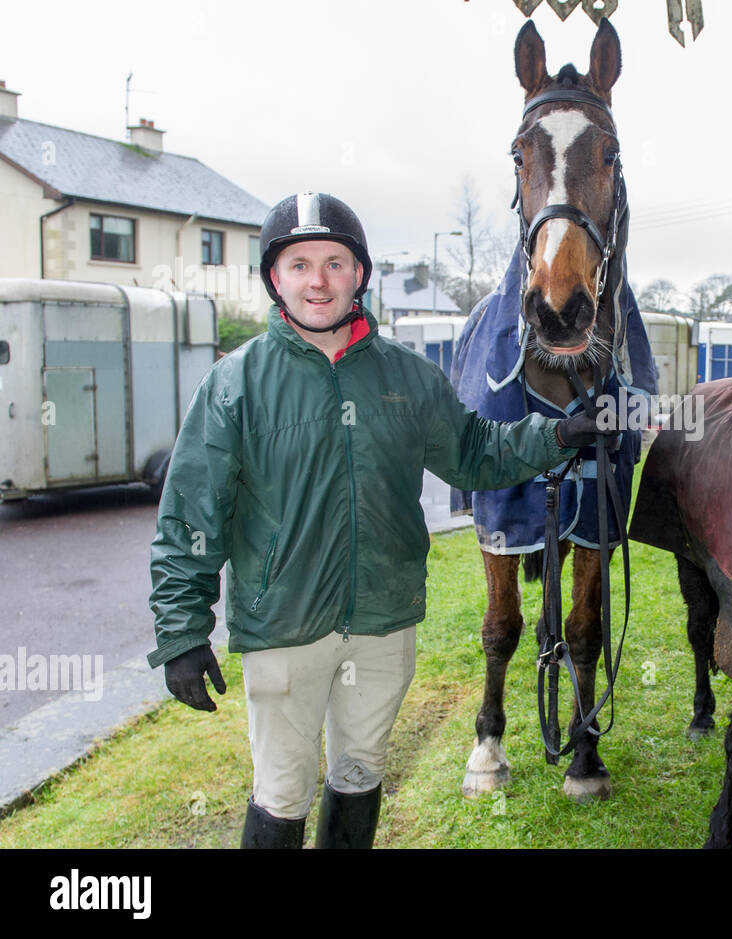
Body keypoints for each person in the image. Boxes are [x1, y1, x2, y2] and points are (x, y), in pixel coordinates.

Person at [147, 192, 611, 849]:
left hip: (382, 627)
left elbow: (476, 452)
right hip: (284, 630)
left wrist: (557, 432)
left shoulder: (409, 379)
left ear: (359, 275)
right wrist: (181, 630)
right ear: (274, 278)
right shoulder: (235, 385)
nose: (318, 280)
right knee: (283, 791)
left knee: (360, 774)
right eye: (300, 263)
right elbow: (189, 513)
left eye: (335, 262)